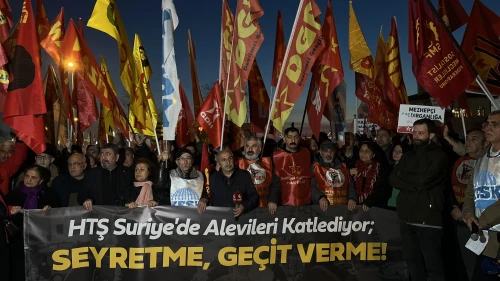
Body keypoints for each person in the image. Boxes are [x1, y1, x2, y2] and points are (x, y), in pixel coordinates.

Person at [389, 118, 448, 281]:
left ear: (431, 135)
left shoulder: (440, 156)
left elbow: (425, 180)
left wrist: (407, 179)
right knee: (414, 265)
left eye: (421, 133)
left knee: (434, 267)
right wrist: (415, 183)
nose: (416, 136)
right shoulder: (407, 156)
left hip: (428, 220)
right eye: (414, 132)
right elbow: (393, 178)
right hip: (406, 219)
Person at [463, 111, 500, 281]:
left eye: (495, 124)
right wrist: (468, 213)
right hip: (482, 234)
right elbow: (471, 189)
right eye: (487, 124)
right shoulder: (482, 156)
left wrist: (481, 222)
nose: (488, 128)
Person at [5, 165, 59, 281]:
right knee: (18, 270)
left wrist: (51, 209)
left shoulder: (49, 194)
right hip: (18, 240)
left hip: (41, 240)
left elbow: (59, 213)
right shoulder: (13, 194)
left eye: (34, 178)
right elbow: (4, 213)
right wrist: (10, 211)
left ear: (41, 180)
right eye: (27, 176)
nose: (29, 180)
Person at [449, 130, 489, 281]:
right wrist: (455, 206)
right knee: (466, 265)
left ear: (485, 143)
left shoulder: (489, 164)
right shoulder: (459, 161)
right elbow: (450, 186)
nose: (468, 142)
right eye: (467, 139)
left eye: (474, 139)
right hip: (461, 219)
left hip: (482, 222)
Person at [198, 149, 259, 216]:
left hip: (240, 220)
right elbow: (206, 194)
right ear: (219, 163)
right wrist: (204, 199)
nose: (228, 162)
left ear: (233, 159)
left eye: (230, 158)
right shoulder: (212, 179)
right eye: (224, 160)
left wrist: (244, 206)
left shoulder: (243, 176)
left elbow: (254, 197)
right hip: (219, 220)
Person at [80, 143, 134, 211]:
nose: (103, 157)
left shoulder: (127, 173)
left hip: (121, 214)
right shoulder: (91, 174)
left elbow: (133, 194)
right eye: (102, 154)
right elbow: (81, 195)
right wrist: (86, 199)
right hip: (97, 215)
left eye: (108, 154)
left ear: (117, 157)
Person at [235, 135, 280, 213]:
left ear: (260, 149)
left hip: (265, 208)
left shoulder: (268, 164)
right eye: (247, 146)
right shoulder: (237, 164)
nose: (250, 149)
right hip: (243, 209)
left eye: (254, 146)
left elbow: (275, 184)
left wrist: (273, 200)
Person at [311, 139, 357, 211]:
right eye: (325, 151)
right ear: (320, 152)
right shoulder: (315, 167)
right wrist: (320, 198)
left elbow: (350, 185)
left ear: (335, 152)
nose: (329, 154)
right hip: (321, 209)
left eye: (331, 151)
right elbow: (310, 186)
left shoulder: (344, 167)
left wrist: (352, 198)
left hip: (343, 209)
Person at [273, 127, 313, 206]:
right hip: (285, 202)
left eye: (296, 137)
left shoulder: (307, 153)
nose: (293, 140)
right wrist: (273, 200)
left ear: (299, 138)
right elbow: (275, 182)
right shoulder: (277, 156)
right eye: (289, 137)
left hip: (306, 201)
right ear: (284, 139)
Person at [350, 141, 390, 210]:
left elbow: (383, 189)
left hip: (374, 207)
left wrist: (369, 201)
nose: (364, 153)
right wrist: (348, 174)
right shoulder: (353, 166)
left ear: (373, 155)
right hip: (356, 206)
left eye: (367, 151)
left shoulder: (380, 168)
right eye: (361, 150)